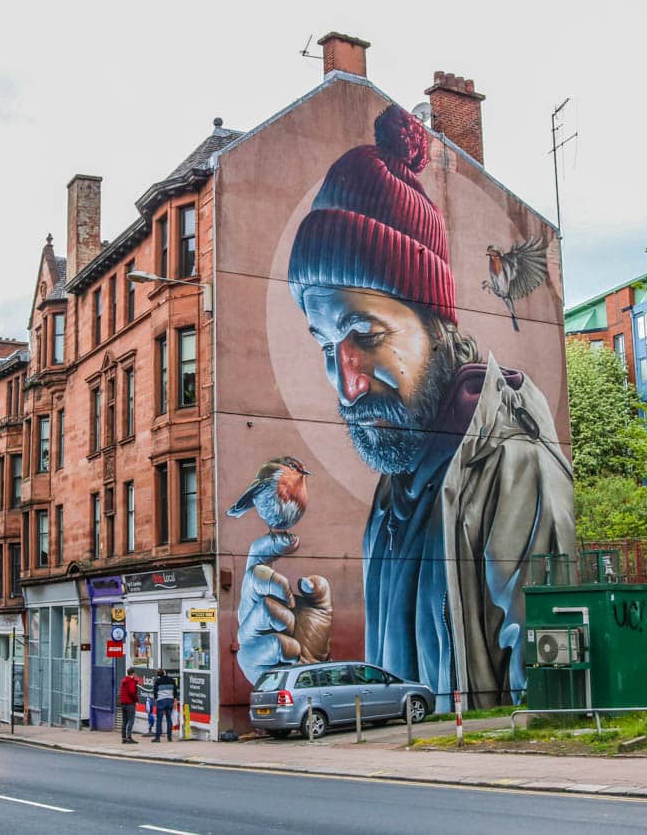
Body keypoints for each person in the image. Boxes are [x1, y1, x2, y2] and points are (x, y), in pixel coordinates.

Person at [237, 104, 575, 710]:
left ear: (437, 326)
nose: (347, 384)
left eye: (365, 335)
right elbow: (406, 694)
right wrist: (308, 670)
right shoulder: (400, 485)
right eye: (325, 347)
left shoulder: (509, 465)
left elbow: (553, 696)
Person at [150, 668, 176, 742]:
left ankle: (157, 737)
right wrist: (174, 699)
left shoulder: (157, 681)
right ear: (164, 673)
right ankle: (169, 737)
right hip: (170, 700)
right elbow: (175, 691)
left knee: (159, 720)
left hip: (161, 701)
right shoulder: (172, 680)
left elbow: (155, 692)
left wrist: (156, 699)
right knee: (169, 719)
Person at [118, 667, 140, 744]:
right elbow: (132, 692)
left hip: (123, 702)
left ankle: (123, 738)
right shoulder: (131, 681)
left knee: (124, 721)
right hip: (130, 703)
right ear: (133, 673)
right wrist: (136, 700)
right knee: (131, 720)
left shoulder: (124, 680)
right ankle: (129, 737)